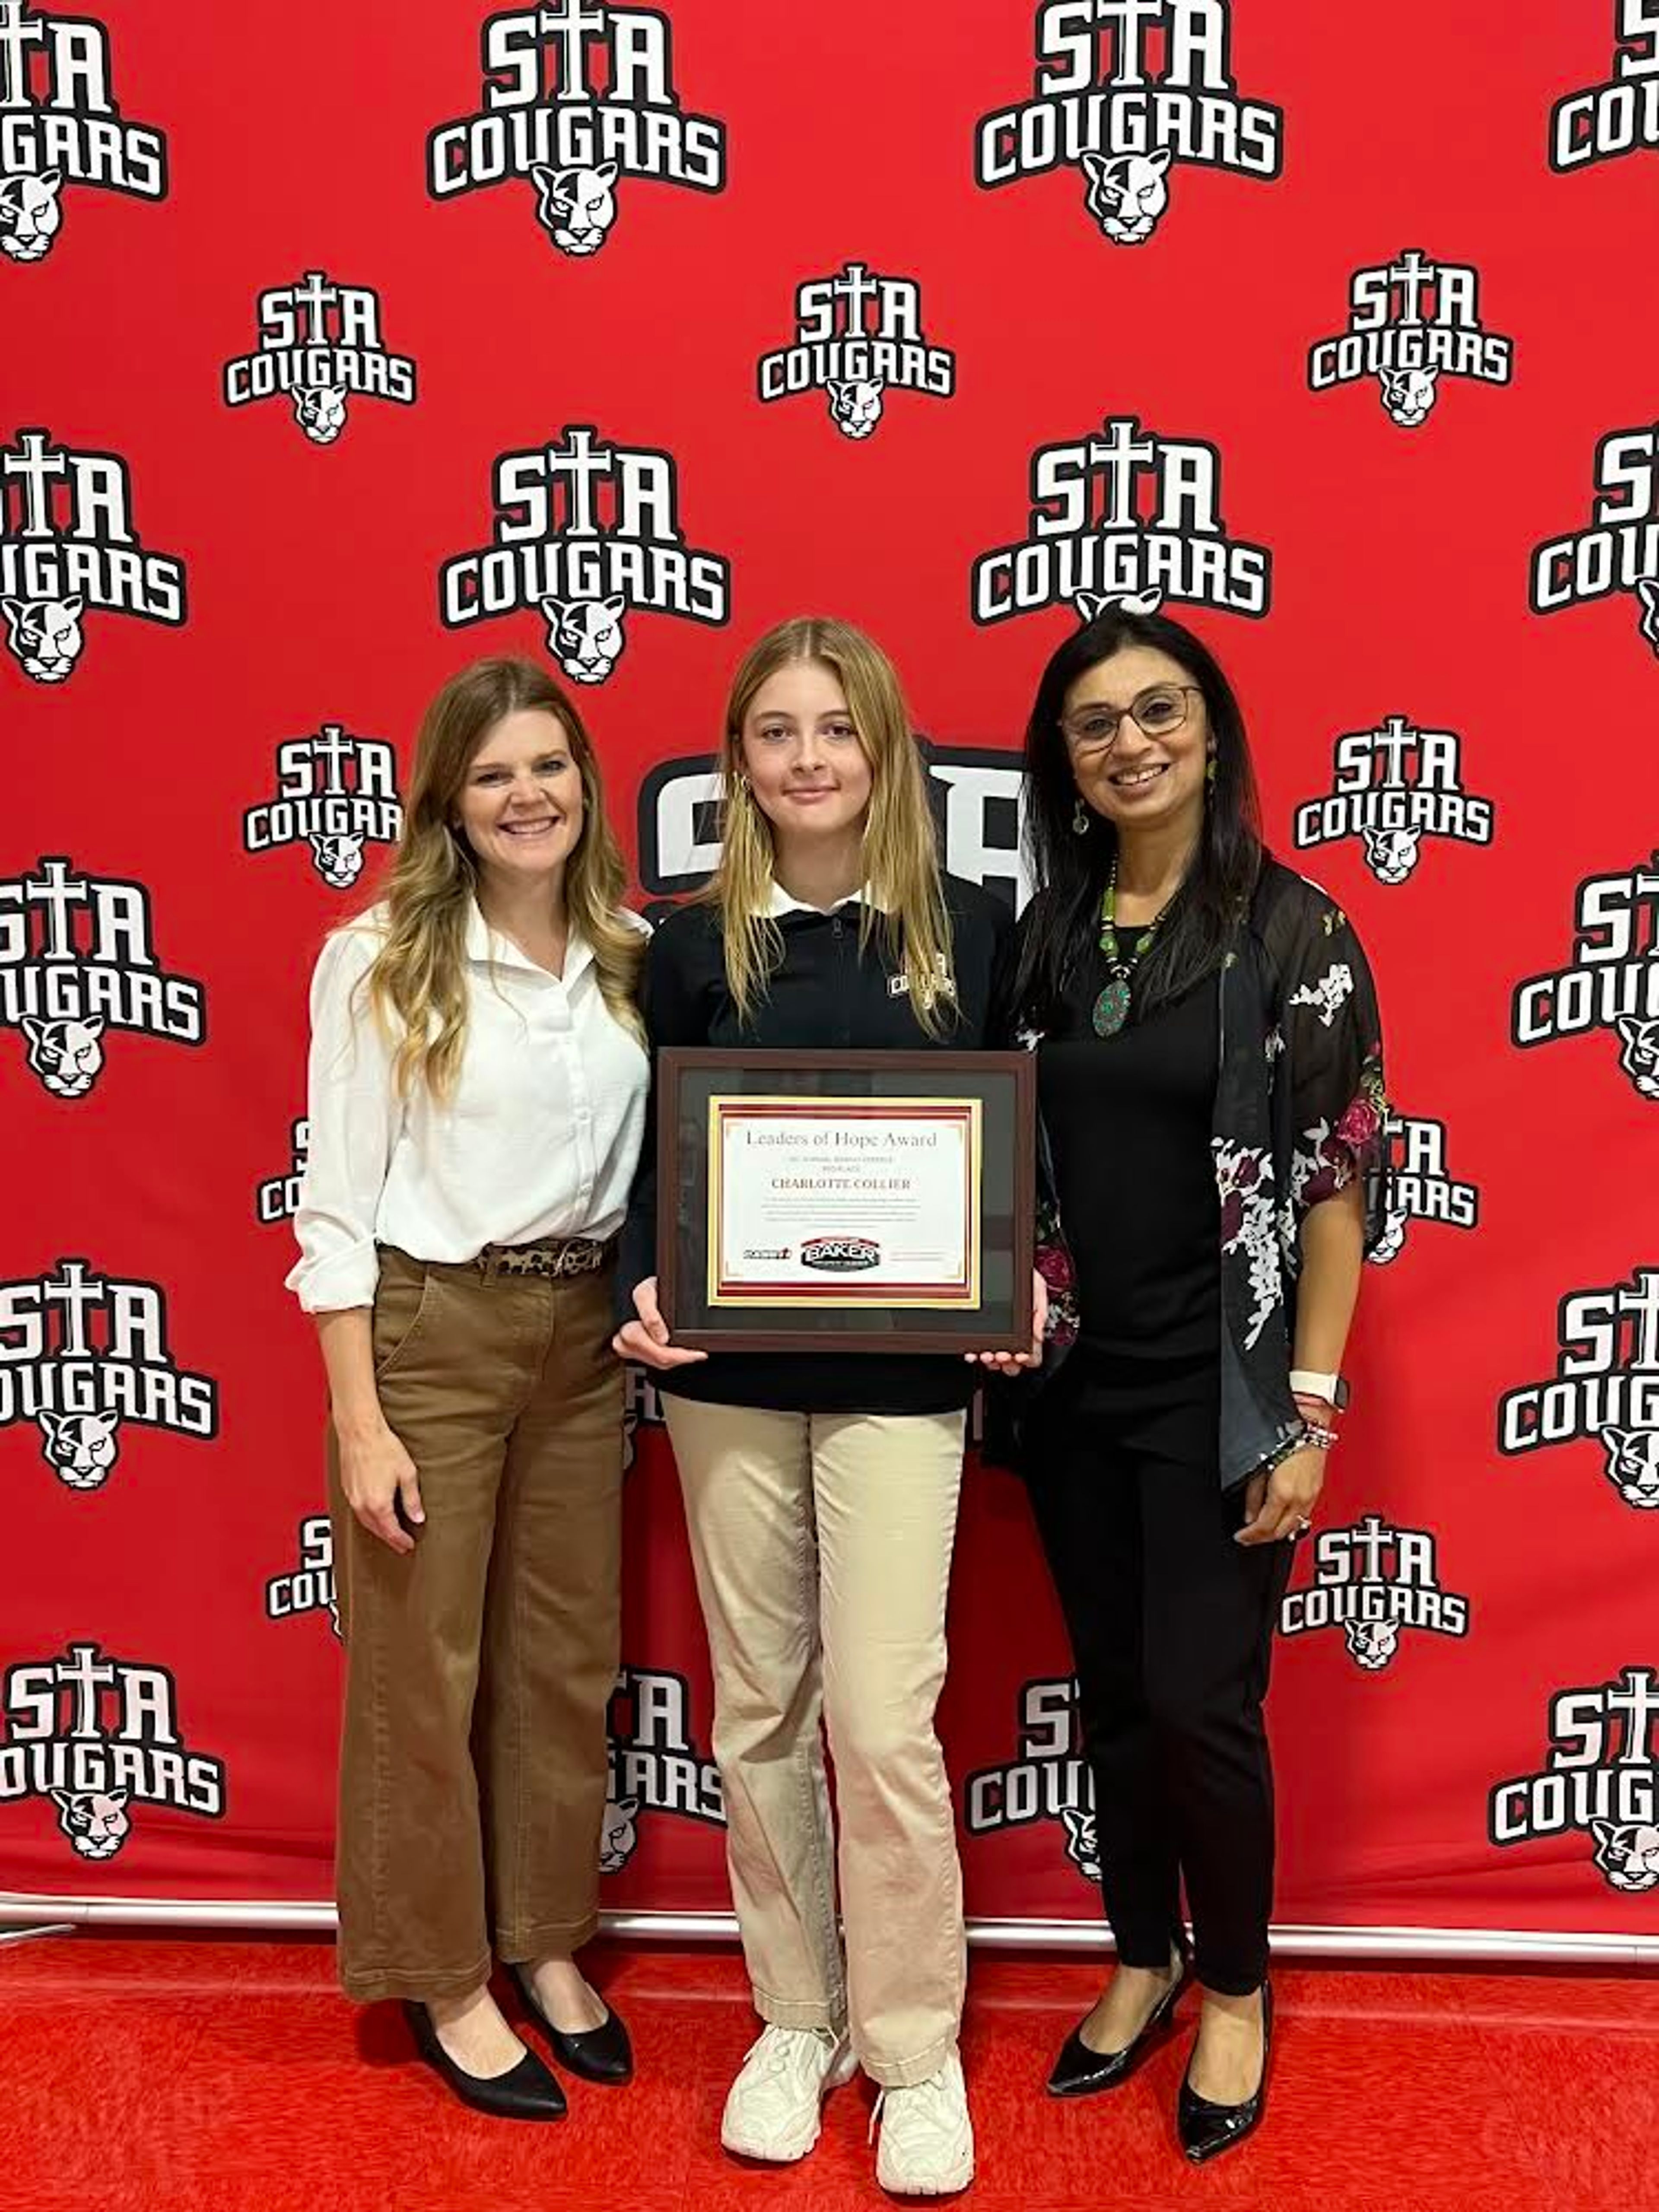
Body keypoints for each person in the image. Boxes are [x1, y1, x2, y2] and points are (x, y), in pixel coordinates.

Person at [614, 617, 1025, 2197]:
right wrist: (642, 1293)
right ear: (739, 763)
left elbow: (1016, 1155)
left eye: (834, 730)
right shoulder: (692, 943)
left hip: (905, 1391)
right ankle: (799, 2019)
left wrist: (1015, 1288)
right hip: (723, 1382)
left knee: (880, 1716)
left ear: (884, 751)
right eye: (775, 733)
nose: (806, 759)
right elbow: (658, 1156)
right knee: (760, 1713)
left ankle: (914, 2049)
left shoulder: (972, 931)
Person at [989, 606, 1390, 2164]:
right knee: (1112, 1695)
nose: (1130, 742)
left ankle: (1235, 1985)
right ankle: (1141, 1955)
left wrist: (1309, 1407)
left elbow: (1342, 1181)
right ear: (1067, 766)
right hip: (1078, 1388)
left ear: (1210, 733)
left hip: (1225, 1393)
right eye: (1095, 724)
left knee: (1205, 1707)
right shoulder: (1050, 935)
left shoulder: (1294, 931)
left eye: (1160, 711)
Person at [288, 657, 648, 2120]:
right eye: (494, 773)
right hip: (432, 1330)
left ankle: (547, 1942)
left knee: (565, 1660)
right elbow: (333, 1205)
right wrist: (359, 1419)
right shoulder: (379, 956)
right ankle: (444, 1974)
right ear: (447, 798)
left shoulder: (631, 950)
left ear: (584, 784)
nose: (526, 796)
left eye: (549, 767)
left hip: (582, 1337)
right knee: (424, 1665)